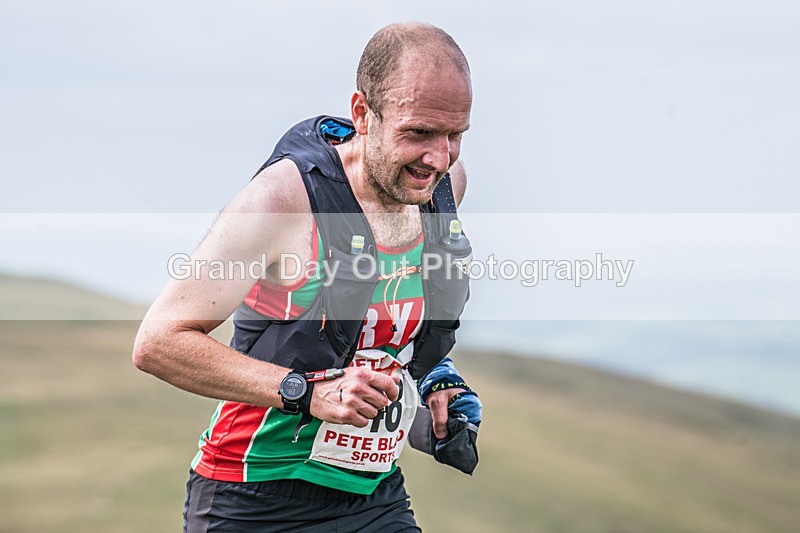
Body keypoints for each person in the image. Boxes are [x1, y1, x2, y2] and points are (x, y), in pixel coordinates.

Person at [133, 22, 481, 532]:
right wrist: (308, 392)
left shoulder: (440, 187)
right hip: (251, 496)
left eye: (455, 135)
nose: (438, 157)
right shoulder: (282, 201)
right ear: (362, 114)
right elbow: (158, 342)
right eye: (418, 133)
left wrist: (434, 379)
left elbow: (380, 326)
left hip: (370, 497)